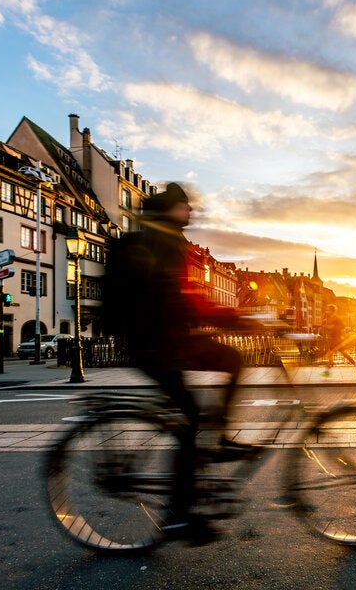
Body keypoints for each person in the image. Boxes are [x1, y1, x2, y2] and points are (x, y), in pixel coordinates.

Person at [102, 182, 247, 541]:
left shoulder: (171, 242)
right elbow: (176, 299)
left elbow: (184, 299)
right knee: (190, 419)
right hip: (152, 344)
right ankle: (178, 516)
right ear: (171, 210)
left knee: (231, 358)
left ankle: (222, 436)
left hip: (169, 338)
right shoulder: (158, 243)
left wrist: (224, 318)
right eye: (185, 206)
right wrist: (232, 318)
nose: (191, 211)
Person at [321, 304, 356, 376]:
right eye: (327, 310)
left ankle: (327, 371)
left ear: (332, 311)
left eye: (328, 310)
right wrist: (325, 324)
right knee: (344, 354)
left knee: (331, 354)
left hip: (336, 339)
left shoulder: (336, 319)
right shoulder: (329, 318)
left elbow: (340, 326)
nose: (327, 311)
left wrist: (329, 326)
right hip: (334, 339)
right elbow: (327, 326)